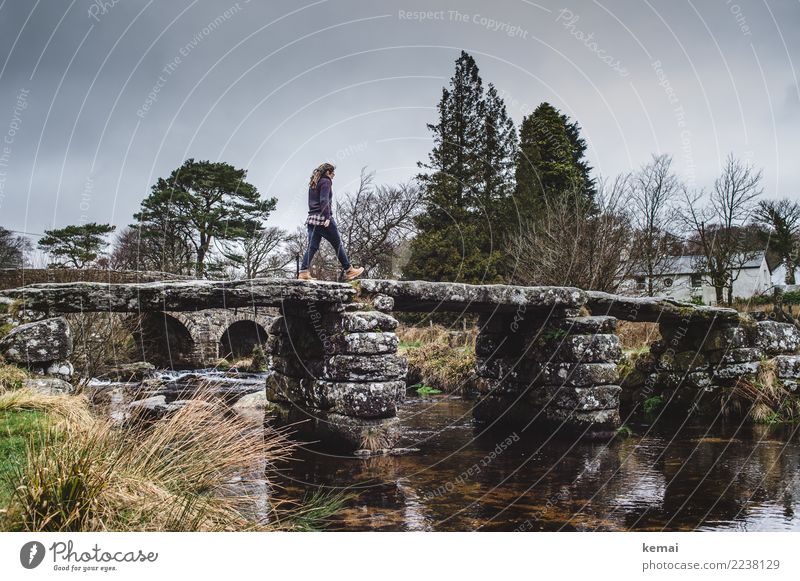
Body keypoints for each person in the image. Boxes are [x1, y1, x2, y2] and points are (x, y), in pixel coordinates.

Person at [298, 162, 364, 281]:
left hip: (312, 219)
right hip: (323, 219)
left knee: (312, 246)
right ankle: (349, 270)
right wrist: (327, 217)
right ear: (327, 172)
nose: (334, 175)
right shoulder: (326, 181)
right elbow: (324, 200)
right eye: (332, 172)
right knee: (337, 244)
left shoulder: (314, 182)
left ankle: (303, 272)